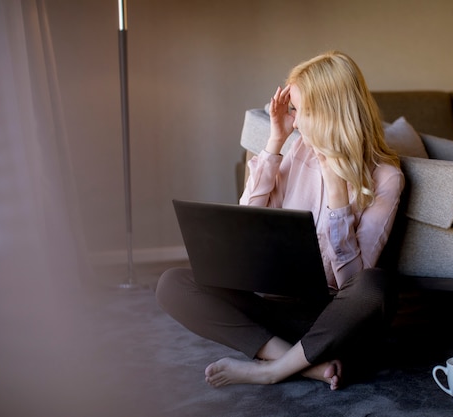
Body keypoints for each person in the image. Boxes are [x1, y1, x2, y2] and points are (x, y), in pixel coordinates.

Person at [156, 51, 405, 391]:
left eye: (300, 111)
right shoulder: (298, 150)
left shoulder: (386, 178)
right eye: (293, 111)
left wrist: (337, 195)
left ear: (328, 114)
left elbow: (351, 281)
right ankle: (301, 366)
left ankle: (269, 370)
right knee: (172, 283)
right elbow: (245, 225)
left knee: (375, 287)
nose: (297, 122)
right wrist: (275, 141)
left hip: (331, 322)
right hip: (272, 310)